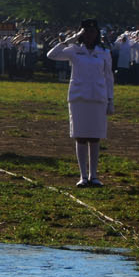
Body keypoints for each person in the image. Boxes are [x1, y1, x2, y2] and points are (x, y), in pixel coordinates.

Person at [48, 19, 115, 187]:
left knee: (95, 137)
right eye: (86, 32)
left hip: (98, 97)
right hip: (78, 97)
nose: (90, 35)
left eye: (93, 32)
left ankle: (94, 175)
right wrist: (71, 39)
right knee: (80, 136)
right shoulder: (74, 50)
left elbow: (109, 77)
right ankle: (83, 176)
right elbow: (52, 54)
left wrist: (110, 100)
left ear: (97, 34)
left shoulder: (104, 52)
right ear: (82, 34)